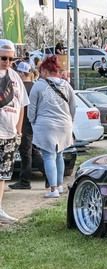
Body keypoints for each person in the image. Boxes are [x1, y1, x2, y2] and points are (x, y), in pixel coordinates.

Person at [28, 55, 75, 199]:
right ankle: (59, 186)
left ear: (45, 71)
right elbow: (73, 106)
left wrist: (32, 122)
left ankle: (53, 188)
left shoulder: (38, 85)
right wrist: (70, 120)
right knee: (59, 154)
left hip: (45, 125)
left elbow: (31, 109)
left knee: (49, 155)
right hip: (64, 124)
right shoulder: (66, 85)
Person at [0, 39, 30, 223]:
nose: (8, 62)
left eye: (11, 59)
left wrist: (18, 130)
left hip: (10, 134)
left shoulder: (15, 77)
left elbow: (22, 105)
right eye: (4, 58)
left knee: (2, 174)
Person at [8, 62, 35, 191]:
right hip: (31, 124)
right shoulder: (35, 87)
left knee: (26, 154)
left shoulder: (19, 87)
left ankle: (25, 181)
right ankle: (50, 175)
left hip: (23, 124)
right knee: (32, 152)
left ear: (22, 73)